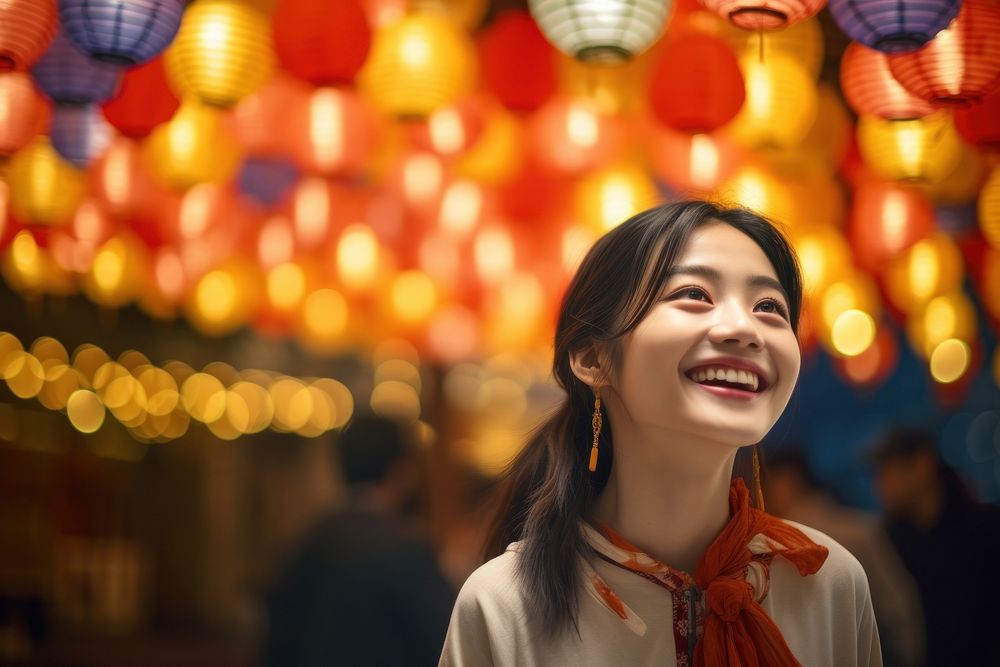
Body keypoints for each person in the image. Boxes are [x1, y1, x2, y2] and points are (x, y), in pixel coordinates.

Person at [439, 201, 882, 666]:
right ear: (593, 359)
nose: (744, 328)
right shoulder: (503, 606)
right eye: (694, 294)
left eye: (769, 306)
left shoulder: (828, 582)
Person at [264, 416, 455, 667]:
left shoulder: (307, 540)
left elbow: (275, 642)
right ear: (401, 470)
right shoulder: (405, 552)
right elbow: (444, 644)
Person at [764, 449, 924, 667]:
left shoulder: (772, 544)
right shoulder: (860, 529)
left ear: (789, 481)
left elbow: (896, 615)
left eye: (768, 482)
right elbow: (899, 615)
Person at [873, 427, 1000, 667]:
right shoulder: (890, 541)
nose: (880, 483)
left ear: (922, 463)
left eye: (888, 468)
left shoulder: (986, 531)